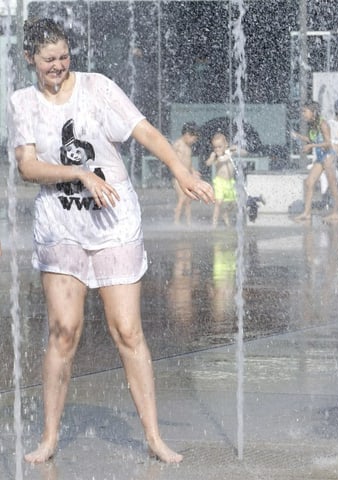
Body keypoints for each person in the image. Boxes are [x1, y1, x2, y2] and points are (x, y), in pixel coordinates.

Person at [9, 18, 215, 464]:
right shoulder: (22, 103)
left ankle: (154, 437)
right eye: (49, 60)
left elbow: (143, 131)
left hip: (113, 222)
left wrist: (180, 171)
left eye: (64, 57)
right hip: (60, 226)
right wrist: (79, 173)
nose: (59, 66)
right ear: (30, 60)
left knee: (127, 329)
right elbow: (28, 168)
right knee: (64, 333)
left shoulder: (98, 87)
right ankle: (48, 437)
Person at [292, 101, 338, 223]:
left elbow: (328, 143)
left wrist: (311, 146)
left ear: (313, 112)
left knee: (332, 185)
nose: (303, 114)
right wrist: (298, 136)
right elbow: (311, 139)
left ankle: (335, 213)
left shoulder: (323, 124)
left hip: (328, 157)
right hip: (320, 158)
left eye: (305, 111)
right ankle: (307, 213)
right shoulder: (313, 125)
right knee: (309, 182)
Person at [205, 132, 246, 228]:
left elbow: (244, 153)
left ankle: (225, 213)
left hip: (230, 182)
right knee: (218, 202)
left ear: (226, 145)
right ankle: (214, 224)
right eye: (215, 147)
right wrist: (214, 158)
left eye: (220, 147)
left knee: (234, 202)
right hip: (219, 182)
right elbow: (208, 163)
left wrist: (235, 149)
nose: (217, 149)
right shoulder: (215, 155)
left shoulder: (230, 152)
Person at [172, 122, 200, 226]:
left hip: (187, 176)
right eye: (194, 138)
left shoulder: (188, 147)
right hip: (178, 177)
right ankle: (176, 221)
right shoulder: (178, 144)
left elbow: (188, 162)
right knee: (182, 198)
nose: (194, 141)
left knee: (188, 200)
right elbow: (170, 157)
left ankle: (188, 222)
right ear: (187, 134)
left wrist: (193, 171)